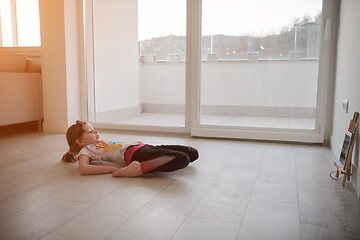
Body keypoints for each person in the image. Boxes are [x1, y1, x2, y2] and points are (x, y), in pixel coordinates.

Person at [61, 120, 199, 177]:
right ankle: (138, 169)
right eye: (90, 132)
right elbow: (83, 169)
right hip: (136, 155)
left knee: (192, 153)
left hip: (143, 147)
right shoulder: (86, 151)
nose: (96, 132)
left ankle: (144, 165)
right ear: (79, 141)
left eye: (94, 129)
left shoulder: (95, 144)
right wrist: (114, 169)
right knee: (183, 158)